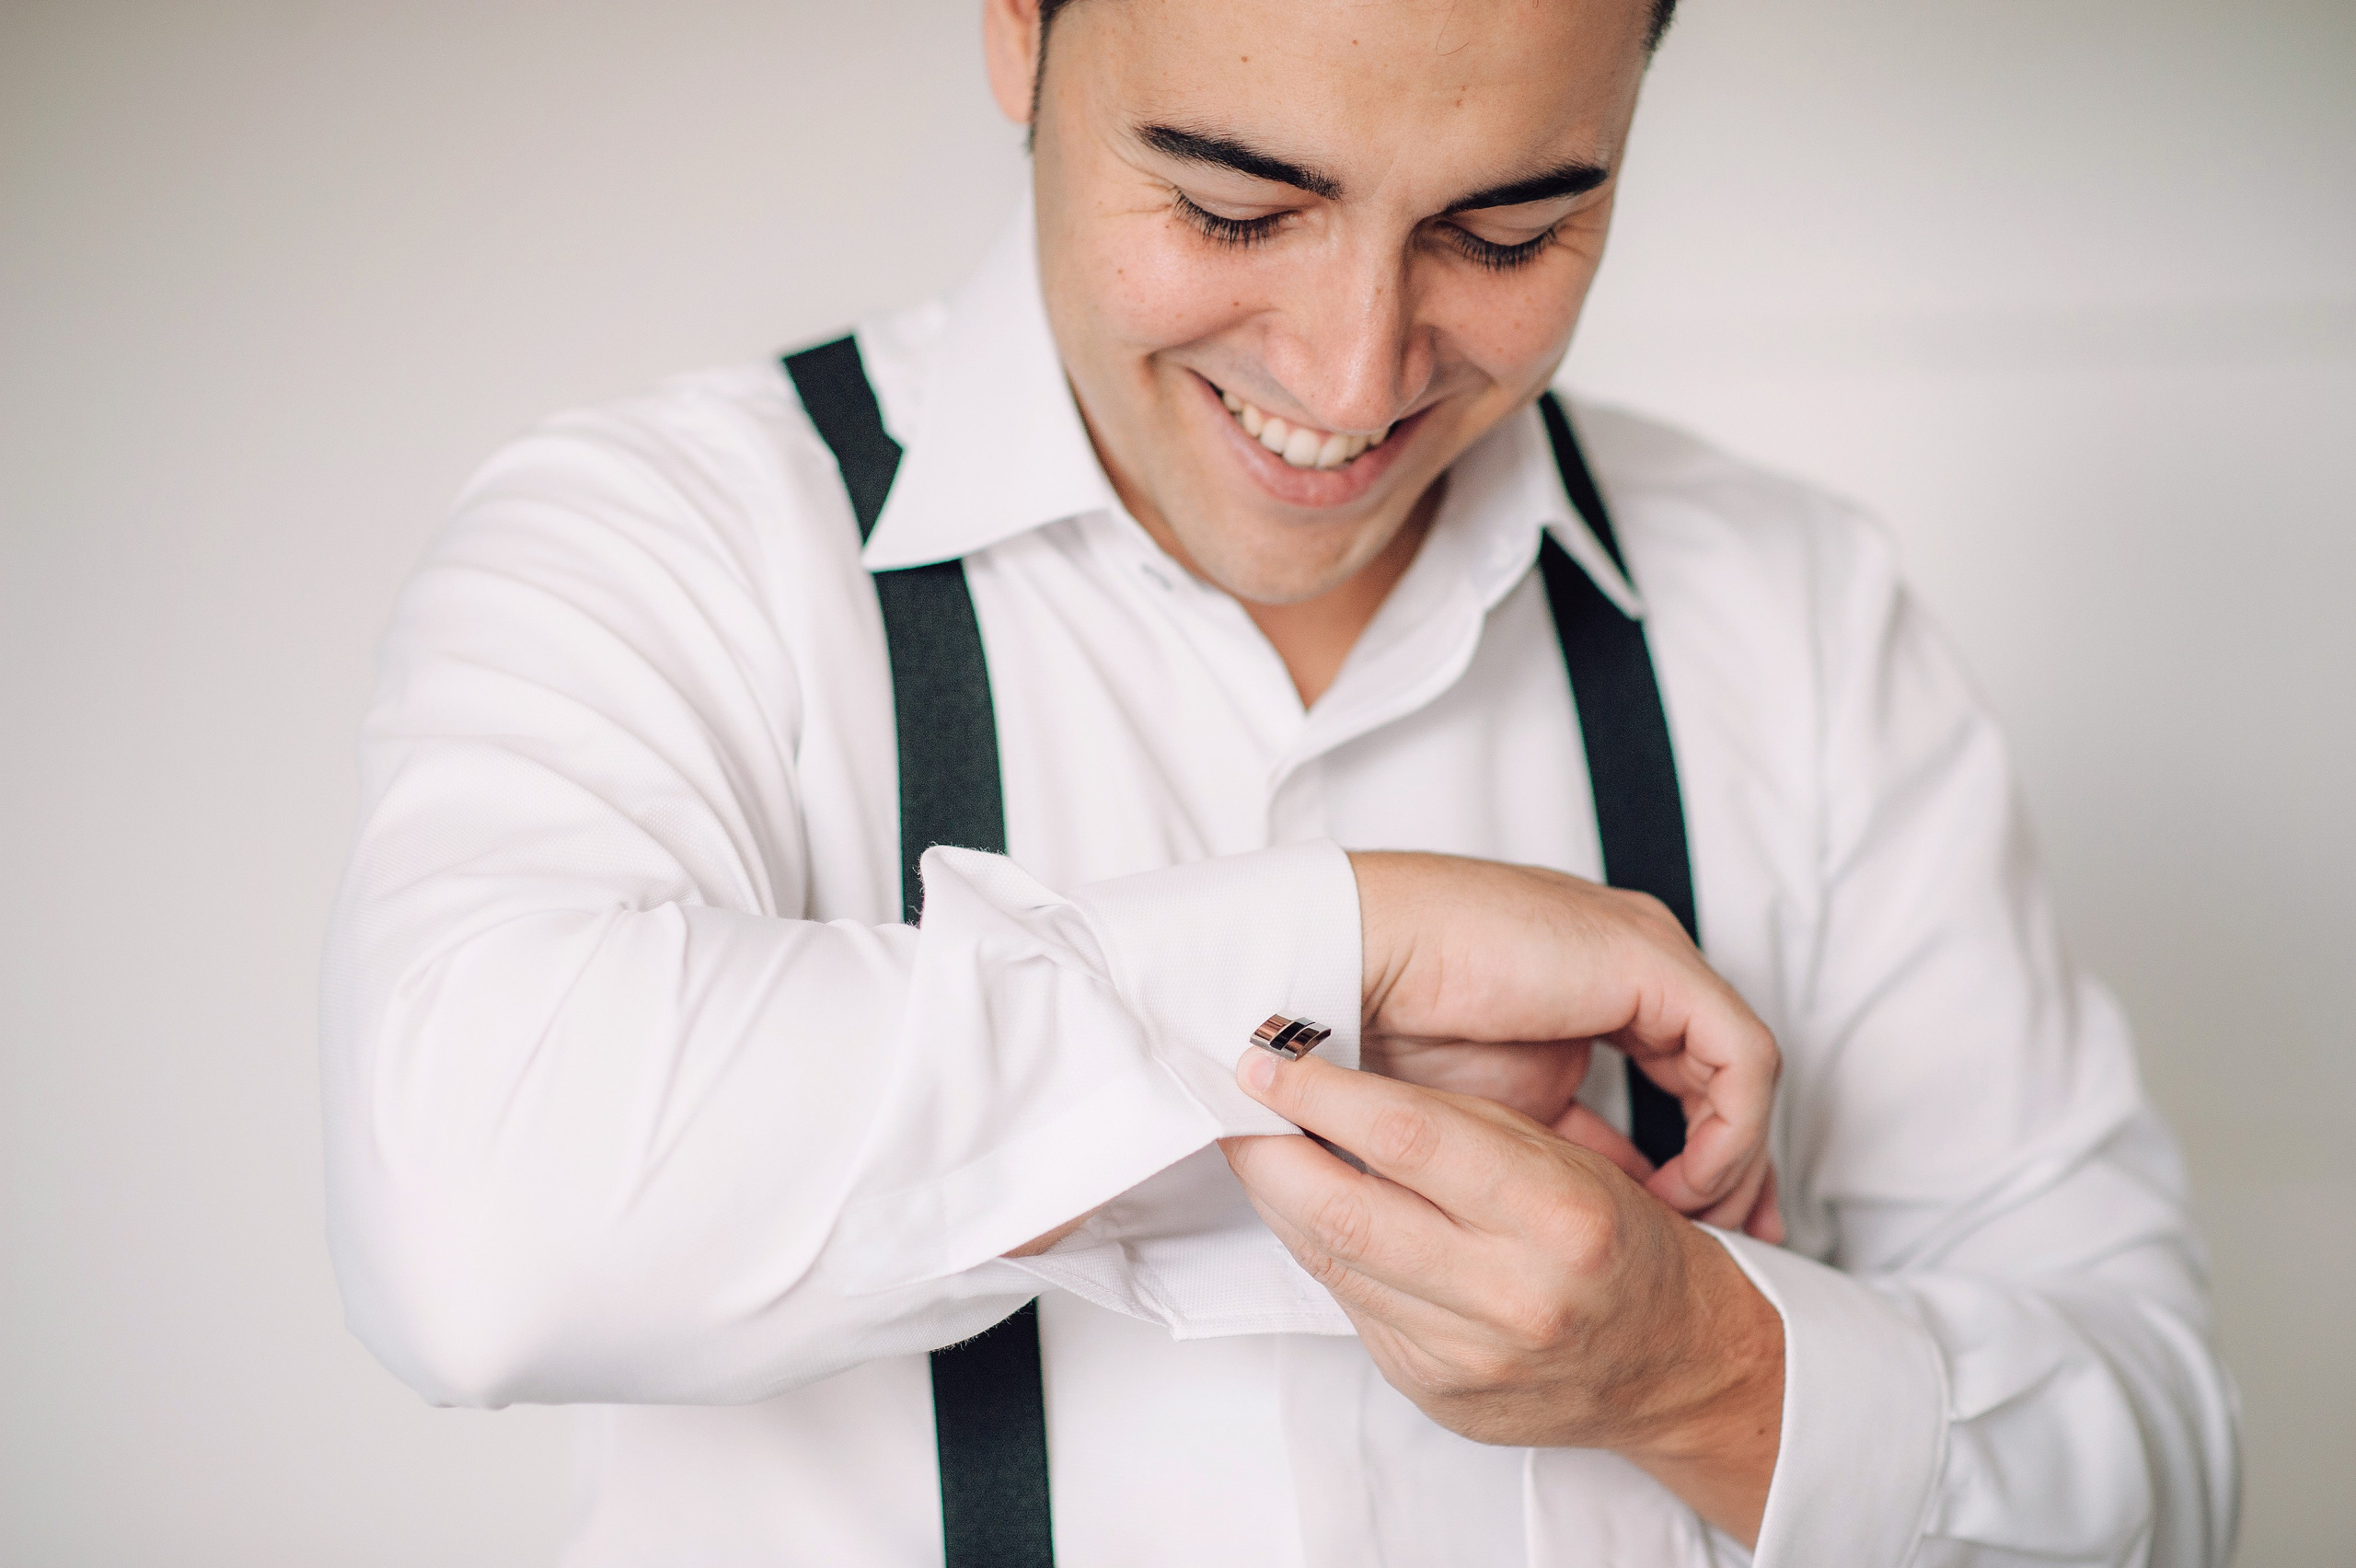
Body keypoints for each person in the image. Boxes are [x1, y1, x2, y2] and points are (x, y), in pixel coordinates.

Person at [319, 0, 2239, 1562]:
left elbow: (2163, 1457)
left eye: (1507, 232)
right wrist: (1342, 957)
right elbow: (476, 1227)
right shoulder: (663, 546)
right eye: (1235, 209)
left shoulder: (1792, 610)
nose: (1349, 374)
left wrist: (1705, 1374)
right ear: (1018, 26)